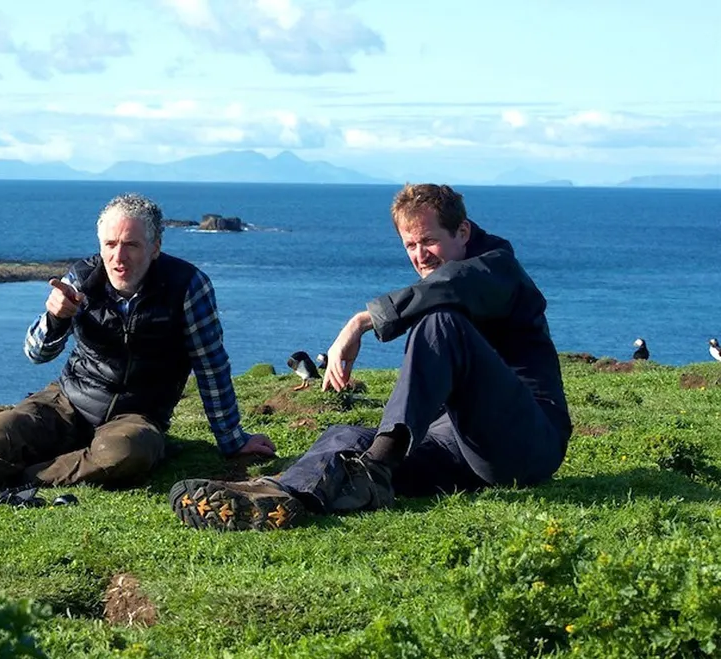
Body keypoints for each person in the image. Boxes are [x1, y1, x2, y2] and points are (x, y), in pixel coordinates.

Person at [0, 193, 276, 513]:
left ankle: (18, 476)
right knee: (0, 430)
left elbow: (211, 365)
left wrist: (231, 440)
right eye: (110, 245)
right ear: (99, 244)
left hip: (138, 415)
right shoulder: (80, 279)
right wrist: (56, 318)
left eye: (132, 245)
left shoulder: (187, 286)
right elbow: (35, 352)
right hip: (68, 399)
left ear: (156, 247)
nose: (118, 256)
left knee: (127, 453)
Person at [170, 183, 573, 531]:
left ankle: (376, 468)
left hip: (527, 445)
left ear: (463, 231)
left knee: (439, 323)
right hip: (461, 447)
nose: (420, 256)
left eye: (429, 241)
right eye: (410, 246)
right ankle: (280, 495)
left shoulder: (498, 268)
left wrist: (362, 321)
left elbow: (456, 285)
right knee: (345, 436)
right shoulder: (446, 282)